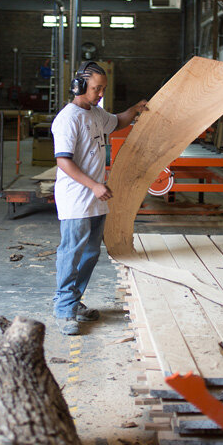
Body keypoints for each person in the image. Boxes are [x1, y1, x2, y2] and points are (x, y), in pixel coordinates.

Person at [51, 61, 148, 335]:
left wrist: (135, 110)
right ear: (79, 86)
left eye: (103, 89)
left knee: (90, 254)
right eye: (96, 88)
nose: (100, 94)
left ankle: (73, 300)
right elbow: (63, 162)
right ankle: (64, 310)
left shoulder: (96, 113)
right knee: (71, 254)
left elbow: (118, 121)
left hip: (95, 198)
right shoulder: (68, 119)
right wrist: (94, 185)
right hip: (76, 199)